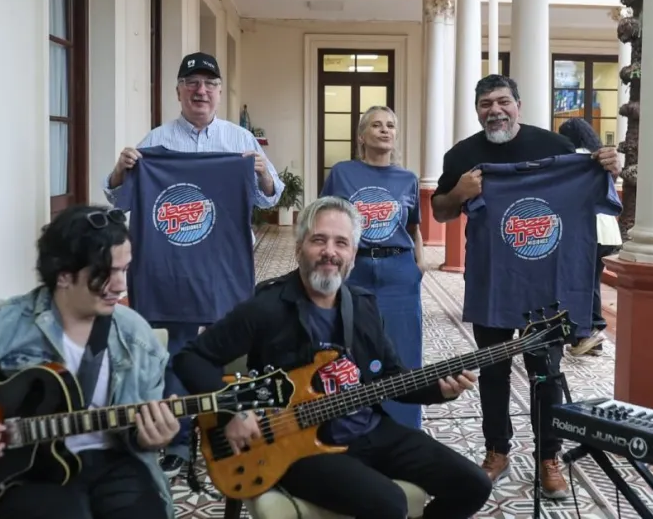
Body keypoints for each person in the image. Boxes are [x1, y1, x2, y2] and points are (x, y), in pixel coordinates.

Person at [173, 196, 493, 519]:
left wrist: (439, 390)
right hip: (295, 445)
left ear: (353, 254)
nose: (330, 252)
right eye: (319, 240)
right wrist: (233, 413)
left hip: (368, 430)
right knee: (390, 504)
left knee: (473, 484)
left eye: (341, 243)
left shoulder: (364, 307)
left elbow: (390, 377)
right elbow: (191, 357)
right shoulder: (266, 307)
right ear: (299, 247)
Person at [0, 205, 178, 519]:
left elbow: (142, 430)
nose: (120, 286)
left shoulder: (137, 337)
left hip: (112, 462)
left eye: (124, 269)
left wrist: (155, 435)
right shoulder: (5, 324)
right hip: (27, 470)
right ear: (64, 276)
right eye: (105, 274)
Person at [430, 74, 620, 494]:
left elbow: (600, 193)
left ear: (518, 104)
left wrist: (609, 165)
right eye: (485, 104)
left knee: (545, 373)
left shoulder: (557, 149)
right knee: (493, 370)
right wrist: (460, 191)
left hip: (546, 287)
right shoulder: (462, 155)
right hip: (493, 281)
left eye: (502, 101)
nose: (494, 110)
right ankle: (496, 450)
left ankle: (548, 456)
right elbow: (441, 212)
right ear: (476, 110)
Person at [103, 51, 283, 476]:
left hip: (223, 264)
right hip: (173, 269)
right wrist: (120, 170)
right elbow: (122, 201)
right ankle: (180, 438)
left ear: (219, 92)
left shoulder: (240, 141)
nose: (200, 91)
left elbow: (270, 196)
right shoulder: (155, 142)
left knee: (228, 349)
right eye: (192, 83)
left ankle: (222, 433)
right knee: (180, 354)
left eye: (209, 84)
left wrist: (260, 172)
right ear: (179, 91)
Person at [320, 105, 426, 429]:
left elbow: (413, 227)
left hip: (398, 271)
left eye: (391, 125)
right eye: (377, 125)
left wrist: (419, 263)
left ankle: (405, 427)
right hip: (356, 269)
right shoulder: (342, 173)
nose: (385, 130)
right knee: (350, 348)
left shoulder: (407, 179)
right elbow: (323, 220)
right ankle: (353, 423)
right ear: (362, 136)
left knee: (403, 350)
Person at [558, 117, 623, 356]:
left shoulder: (575, 159)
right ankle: (590, 337)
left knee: (581, 284)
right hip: (607, 230)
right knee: (591, 282)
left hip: (586, 230)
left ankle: (586, 334)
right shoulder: (600, 156)